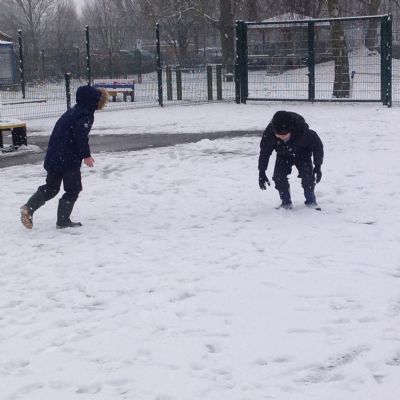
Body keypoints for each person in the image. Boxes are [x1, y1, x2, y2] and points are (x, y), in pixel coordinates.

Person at [20, 85, 109, 229]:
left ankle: (28, 208)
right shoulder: (85, 115)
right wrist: (86, 155)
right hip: (68, 159)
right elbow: (81, 136)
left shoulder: (73, 111)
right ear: (93, 100)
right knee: (73, 189)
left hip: (54, 155)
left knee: (51, 187)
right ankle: (63, 221)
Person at [258, 110, 324, 210]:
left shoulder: (303, 131)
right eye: (278, 136)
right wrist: (262, 171)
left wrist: (318, 166)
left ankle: (311, 201)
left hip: (303, 154)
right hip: (283, 155)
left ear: (291, 130)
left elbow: (317, 145)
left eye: (285, 135)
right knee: (278, 177)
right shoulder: (270, 133)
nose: (282, 138)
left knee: (308, 177)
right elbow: (264, 153)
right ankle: (286, 202)